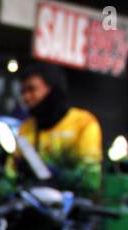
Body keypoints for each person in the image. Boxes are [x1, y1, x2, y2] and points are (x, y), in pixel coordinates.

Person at [14, 62, 103, 194]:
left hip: (73, 211)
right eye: (23, 92)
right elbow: (10, 176)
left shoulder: (83, 123)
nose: (26, 97)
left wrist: (57, 174)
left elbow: (91, 180)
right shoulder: (25, 128)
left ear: (52, 89)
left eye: (32, 89)